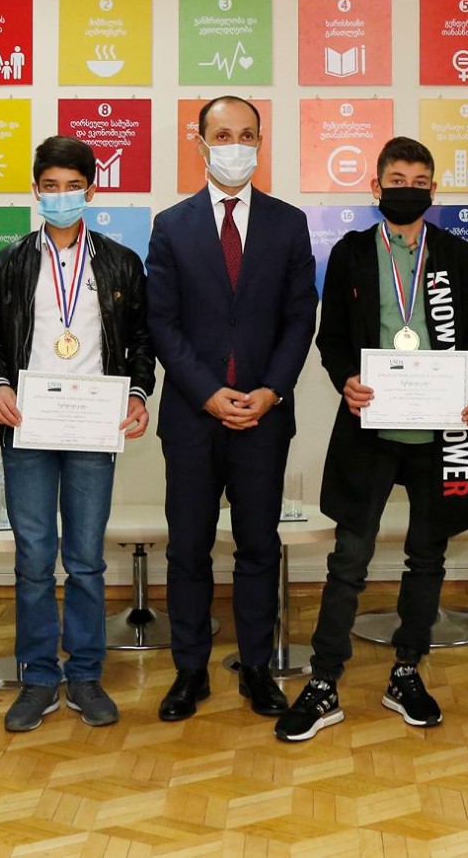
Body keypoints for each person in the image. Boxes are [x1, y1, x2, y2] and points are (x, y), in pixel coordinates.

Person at [276, 137, 468, 742]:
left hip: (441, 430)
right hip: (370, 428)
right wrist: (346, 378)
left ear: (433, 190)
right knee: (349, 559)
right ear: (375, 187)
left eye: (420, 182)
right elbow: (331, 338)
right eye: (397, 180)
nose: (408, 190)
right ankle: (323, 681)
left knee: (428, 558)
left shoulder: (456, 255)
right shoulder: (349, 252)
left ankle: (406, 672)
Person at [146, 96, 317, 722]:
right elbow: (162, 323)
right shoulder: (171, 225)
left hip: (264, 416)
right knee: (188, 548)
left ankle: (257, 669)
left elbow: (300, 317)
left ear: (260, 142)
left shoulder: (288, 223)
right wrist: (207, 392)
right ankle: (189, 671)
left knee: (258, 547)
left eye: (247, 135)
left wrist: (271, 391)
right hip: (194, 416)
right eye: (222, 135)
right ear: (200, 142)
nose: (235, 146)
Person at [0, 136, 155, 734]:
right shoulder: (9, 262)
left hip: (92, 426)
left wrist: (137, 393)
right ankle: (37, 678)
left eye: (72, 186)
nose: (61, 196)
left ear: (91, 190)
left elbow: (142, 340)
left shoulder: (121, 263)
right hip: (27, 426)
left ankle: (83, 674)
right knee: (33, 558)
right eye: (50, 187)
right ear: (35, 190)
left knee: (84, 560)